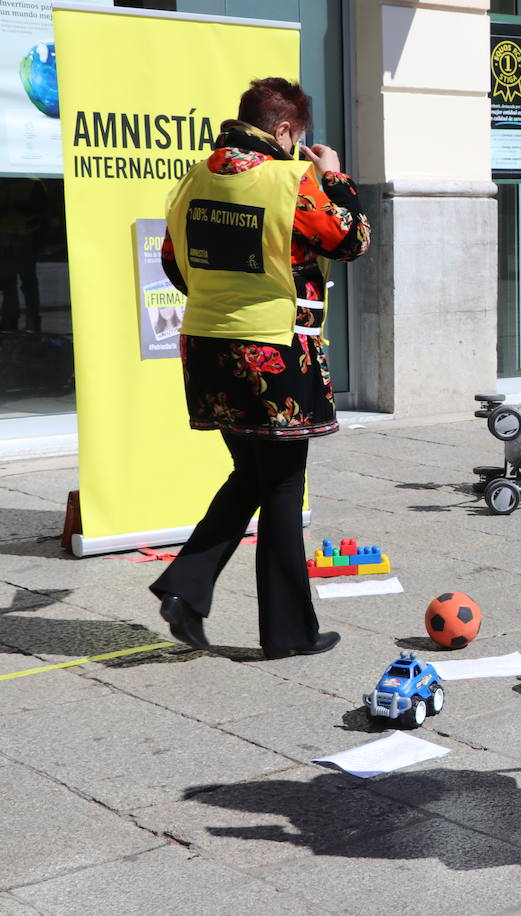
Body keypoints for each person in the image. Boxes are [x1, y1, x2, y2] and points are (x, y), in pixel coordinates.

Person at [150, 78, 370, 659]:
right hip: (273, 353)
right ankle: (287, 633)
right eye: (302, 138)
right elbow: (351, 240)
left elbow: (174, 261)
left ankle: (186, 588)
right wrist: (334, 175)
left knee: (251, 472)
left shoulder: (194, 178)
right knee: (278, 484)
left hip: (207, 347)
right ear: (285, 132)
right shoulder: (289, 180)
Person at [0, 178, 47, 333]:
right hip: (11, 237)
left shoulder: (32, 184)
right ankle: (13, 320)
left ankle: (25, 321)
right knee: (13, 282)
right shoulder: (30, 184)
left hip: (24, 237)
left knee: (24, 282)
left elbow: (41, 213)